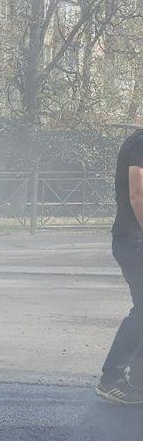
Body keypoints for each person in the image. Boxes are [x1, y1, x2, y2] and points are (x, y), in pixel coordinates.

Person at [98, 127, 143, 405]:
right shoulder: (140, 143)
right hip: (134, 240)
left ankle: (138, 378)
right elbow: (138, 195)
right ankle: (111, 378)